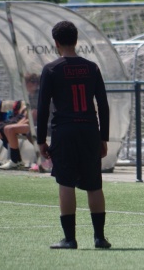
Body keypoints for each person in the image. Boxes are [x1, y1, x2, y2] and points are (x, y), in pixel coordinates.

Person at [37, 20, 111, 249]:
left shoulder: (51, 69)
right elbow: (103, 105)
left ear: (56, 42)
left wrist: (40, 139)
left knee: (66, 183)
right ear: (76, 40)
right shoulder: (92, 67)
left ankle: (70, 239)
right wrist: (103, 137)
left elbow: (42, 107)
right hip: (89, 130)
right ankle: (99, 237)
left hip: (65, 132)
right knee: (94, 184)